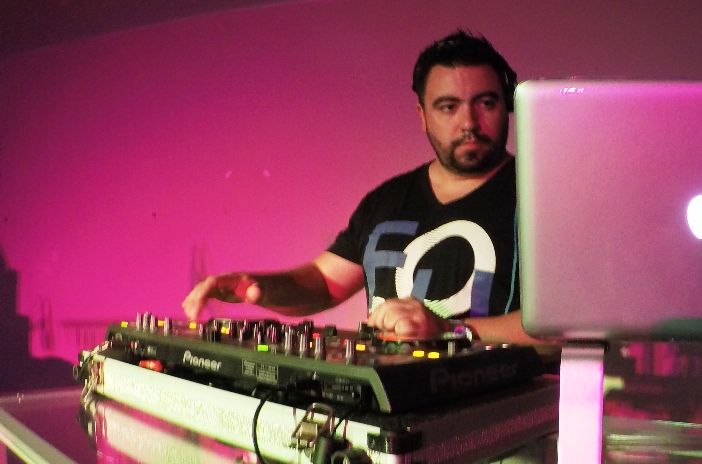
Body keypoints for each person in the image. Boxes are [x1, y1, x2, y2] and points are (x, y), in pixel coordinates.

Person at [182, 31, 533, 343]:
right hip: (385, 394)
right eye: (448, 107)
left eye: (486, 103)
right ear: (423, 116)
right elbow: (324, 283)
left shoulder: (541, 198)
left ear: (507, 107)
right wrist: (251, 285)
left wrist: (448, 330)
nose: (469, 122)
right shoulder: (386, 200)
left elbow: (560, 328)